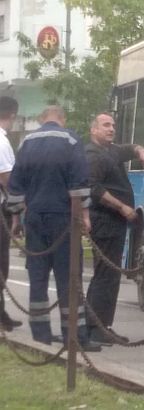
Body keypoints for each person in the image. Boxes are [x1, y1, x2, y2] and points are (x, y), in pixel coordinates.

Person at [7, 106, 101, 351]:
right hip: (64, 217)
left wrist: (17, 219)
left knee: (37, 276)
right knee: (69, 277)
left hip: (35, 218)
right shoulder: (71, 140)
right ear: (62, 118)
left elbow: (16, 185)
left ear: (41, 120)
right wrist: (84, 216)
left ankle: (41, 335)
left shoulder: (27, 142)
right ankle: (74, 335)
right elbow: (79, 183)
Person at [84, 112, 144, 346]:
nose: (111, 129)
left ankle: (103, 325)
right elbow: (93, 188)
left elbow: (131, 148)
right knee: (105, 275)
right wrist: (122, 207)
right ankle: (95, 327)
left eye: (113, 125)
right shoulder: (93, 155)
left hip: (115, 222)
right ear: (93, 130)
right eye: (105, 125)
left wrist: (141, 152)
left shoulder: (111, 151)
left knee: (110, 275)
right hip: (104, 220)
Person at [0, 96, 22, 331]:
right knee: (1, 263)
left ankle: (1, 312)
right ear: (12, 115)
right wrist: (20, 207)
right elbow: (6, 178)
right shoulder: (2, 142)